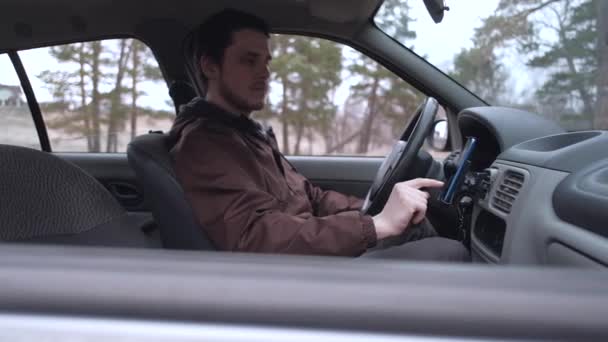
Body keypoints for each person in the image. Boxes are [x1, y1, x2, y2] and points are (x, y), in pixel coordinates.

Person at [170, 9, 469, 261]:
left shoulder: (244, 133)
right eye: (249, 61)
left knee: (420, 231)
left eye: (266, 62)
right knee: (450, 252)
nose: (265, 73)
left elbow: (310, 196)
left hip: (306, 254)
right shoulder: (204, 145)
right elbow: (255, 234)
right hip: (290, 275)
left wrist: (373, 210)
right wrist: (374, 225)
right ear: (210, 66)